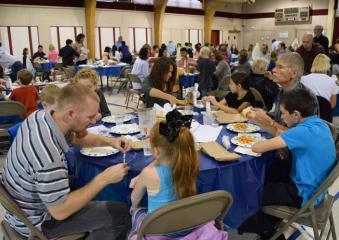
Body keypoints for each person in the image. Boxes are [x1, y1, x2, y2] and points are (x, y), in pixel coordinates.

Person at [2, 83, 131, 239]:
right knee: (120, 214)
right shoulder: (49, 157)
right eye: (90, 117)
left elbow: (76, 138)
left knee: (86, 186)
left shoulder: (40, 116)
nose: (93, 122)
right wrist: (103, 179)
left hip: (22, 209)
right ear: (70, 114)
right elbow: (59, 211)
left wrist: (110, 141)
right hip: (39, 222)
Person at [238, 88, 336, 240]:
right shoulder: (318, 124)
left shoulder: (301, 132)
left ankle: (269, 232)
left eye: (283, 113)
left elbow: (257, 147)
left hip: (304, 192)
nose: (282, 118)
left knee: (254, 191)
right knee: (273, 170)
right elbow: (284, 135)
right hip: (317, 186)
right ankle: (267, 223)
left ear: (296, 114)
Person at [128, 110, 199, 238]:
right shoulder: (190, 165)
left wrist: (134, 208)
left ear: (155, 150)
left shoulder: (148, 174)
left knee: (136, 211)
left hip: (159, 230)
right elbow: (161, 161)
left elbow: (135, 198)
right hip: (186, 228)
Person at [248, 52, 318, 136]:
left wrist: (267, 120)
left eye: (280, 67)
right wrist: (264, 114)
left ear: (294, 73)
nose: (273, 70)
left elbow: (300, 137)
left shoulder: (304, 98)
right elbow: (280, 120)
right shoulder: (282, 91)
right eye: (275, 66)